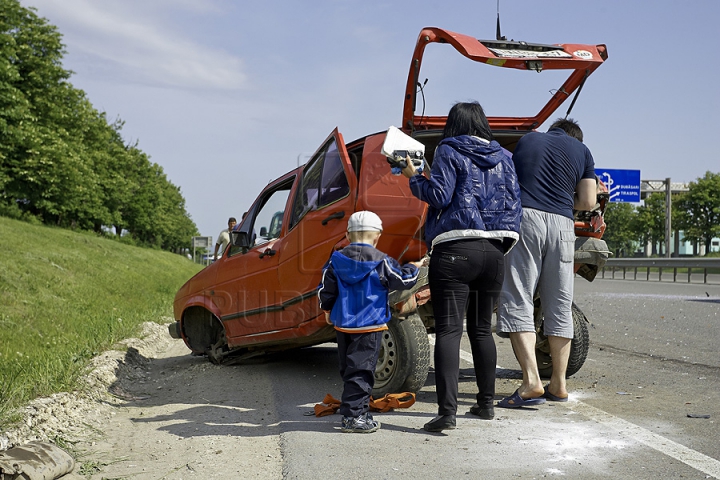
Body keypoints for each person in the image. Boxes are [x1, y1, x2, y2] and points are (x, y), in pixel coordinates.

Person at [401, 101, 522, 432]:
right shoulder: (506, 159)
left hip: (455, 249)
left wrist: (414, 177)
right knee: (482, 329)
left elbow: (439, 195)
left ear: (453, 126)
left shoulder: (448, 149)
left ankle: (447, 413)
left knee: (450, 331)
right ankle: (485, 405)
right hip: (495, 252)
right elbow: (515, 204)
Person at [496, 118, 597, 408]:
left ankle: (531, 383)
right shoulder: (583, 151)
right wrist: (565, 198)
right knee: (559, 303)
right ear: (575, 137)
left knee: (518, 298)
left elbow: (510, 185)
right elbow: (588, 202)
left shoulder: (528, 139)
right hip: (564, 225)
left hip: (526, 220)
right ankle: (559, 384)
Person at [318, 211, 422, 433]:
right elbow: (404, 280)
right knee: (363, 370)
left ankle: (354, 409)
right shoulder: (382, 261)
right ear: (377, 236)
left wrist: (327, 309)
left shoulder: (336, 260)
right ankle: (354, 417)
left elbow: (325, 290)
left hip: (343, 324)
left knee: (349, 368)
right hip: (370, 324)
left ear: (347, 235)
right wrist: (415, 266)